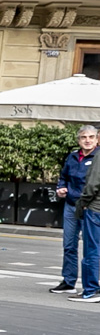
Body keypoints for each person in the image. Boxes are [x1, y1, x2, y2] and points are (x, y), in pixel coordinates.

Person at [53, 125, 99, 300]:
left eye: (91, 137)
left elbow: (94, 184)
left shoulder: (98, 157)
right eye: (84, 137)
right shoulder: (72, 157)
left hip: (90, 207)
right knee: (69, 245)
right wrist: (61, 187)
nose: (87, 140)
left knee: (91, 249)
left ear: (96, 139)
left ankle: (93, 285)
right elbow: (63, 176)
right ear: (79, 140)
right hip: (72, 205)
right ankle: (69, 281)